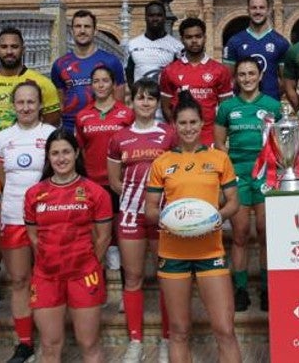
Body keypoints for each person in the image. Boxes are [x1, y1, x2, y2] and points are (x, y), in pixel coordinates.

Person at [0, 26, 62, 308]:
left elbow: (54, 118)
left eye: (14, 46)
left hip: (32, 166)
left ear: (23, 49)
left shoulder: (40, 83)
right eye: (4, 46)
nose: (9, 51)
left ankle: (41, 283)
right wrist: (3, 140)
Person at [145, 92, 242, 363]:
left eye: (193, 122)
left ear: (202, 124)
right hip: (173, 253)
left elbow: (234, 202)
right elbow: (150, 209)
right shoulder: (162, 163)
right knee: (178, 331)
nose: (188, 128)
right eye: (183, 123)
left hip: (210, 251)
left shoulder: (219, 159)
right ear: (174, 125)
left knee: (225, 329)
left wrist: (215, 218)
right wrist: (168, 221)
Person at [24, 130, 114, 363]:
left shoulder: (96, 192)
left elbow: (103, 237)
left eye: (66, 152)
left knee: (89, 344)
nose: (61, 158)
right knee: (50, 345)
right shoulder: (34, 194)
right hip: (46, 277)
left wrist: (87, 262)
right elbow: (33, 237)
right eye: (55, 153)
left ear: (76, 153)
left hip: (84, 276)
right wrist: (50, 259)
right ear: (48, 157)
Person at [107, 79, 176, 363]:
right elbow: (114, 180)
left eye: (150, 98)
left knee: (166, 279)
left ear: (157, 103)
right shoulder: (119, 137)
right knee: (133, 278)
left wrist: (156, 200)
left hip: (162, 216)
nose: (145, 103)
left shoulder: (169, 134)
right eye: (140, 98)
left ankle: (166, 339)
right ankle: (135, 340)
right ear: (131, 102)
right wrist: (136, 198)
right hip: (130, 216)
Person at [0, 80, 58, 363]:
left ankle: (51, 338)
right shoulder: (2, 137)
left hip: (48, 220)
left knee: (48, 279)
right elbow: (2, 178)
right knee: (19, 280)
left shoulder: (53, 133)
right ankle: (24, 343)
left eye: (31, 102)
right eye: (20, 102)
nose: (26, 107)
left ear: (41, 104)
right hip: (13, 218)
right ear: (13, 106)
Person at [214, 58, 281, 313]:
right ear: (236, 77)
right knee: (240, 234)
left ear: (260, 75)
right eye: (242, 74)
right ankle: (240, 289)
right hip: (239, 174)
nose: (247, 78)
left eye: (251, 73)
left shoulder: (273, 106)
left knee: (266, 233)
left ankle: (266, 288)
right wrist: (228, 170)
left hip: (266, 174)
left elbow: (281, 142)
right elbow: (220, 144)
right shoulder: (227, 107)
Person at [74, 65, 134, 274]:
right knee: (97, 233)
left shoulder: (126, 114)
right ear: (91, 86)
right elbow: (80, 149)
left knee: (121, 230)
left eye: (105, 80)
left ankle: (126, 283)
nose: (100, 85)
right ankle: (95, 281)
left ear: (113, 84)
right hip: (93, 182)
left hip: (119, 181)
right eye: (96, 81)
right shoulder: (82, 116)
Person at [159, 17, 233, 146]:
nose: (194, 41)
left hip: (210, 139)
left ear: (205, 37)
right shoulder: (170, 70)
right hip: (180, 140)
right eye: (189, 37)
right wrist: (179, 128)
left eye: (198, 36)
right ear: (182, 39)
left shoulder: (220, 70)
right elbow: (166, 107)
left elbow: (225, 108)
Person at [52, 9, 128, 133]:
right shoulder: (60, 64)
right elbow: (60, 101)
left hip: (102, 127)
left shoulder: (111, 61)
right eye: (78, 26)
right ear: (72, 31)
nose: (82, 31)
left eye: (87, 26)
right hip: (70, 128)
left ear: (95, 31)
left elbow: (119, 102)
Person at [222, 0, 290, 100]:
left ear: (268, 10)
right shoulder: (235, 41)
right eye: (254, 8)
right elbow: (228, 80)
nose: (258, 11)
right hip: (243, 105)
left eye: (261, 8)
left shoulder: (280, 42)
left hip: (270, 103)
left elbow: (285, 81)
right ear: (248, 10)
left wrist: (270, 96)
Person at [124, 1, 184, 85]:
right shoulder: (133, 44)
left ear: (165, 17)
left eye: (159, 15)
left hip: (165, 97)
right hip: (141, 97)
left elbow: (180, 76)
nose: (155, 19)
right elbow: (129, 74)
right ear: (145, 17)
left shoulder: (177, 46)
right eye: (151, 15)